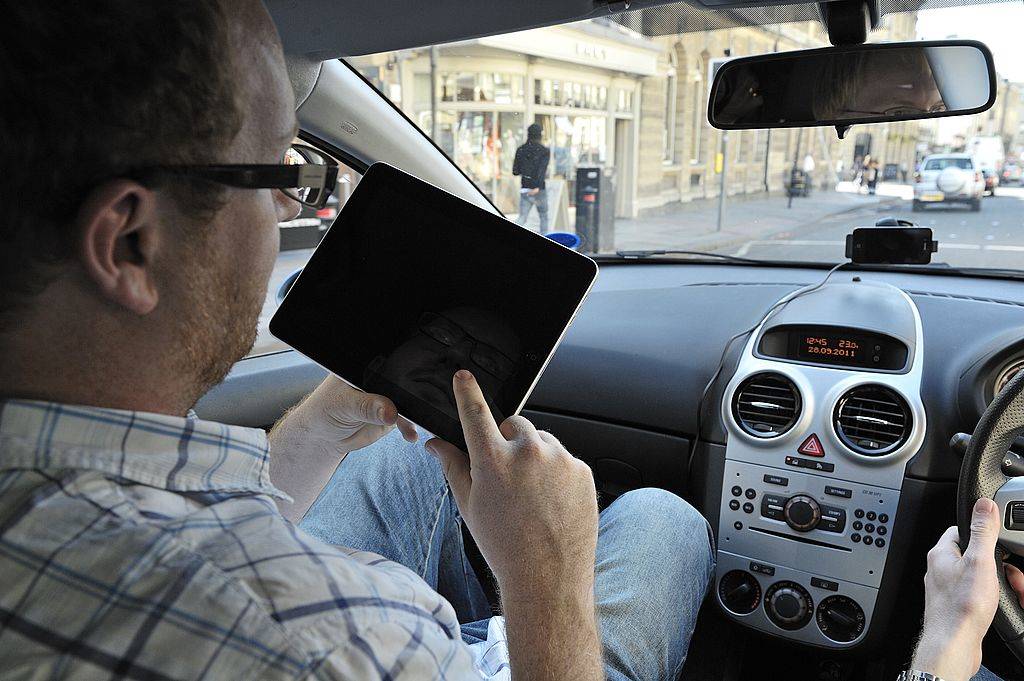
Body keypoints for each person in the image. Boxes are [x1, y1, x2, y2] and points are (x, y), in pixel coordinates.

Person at [0, 3, 713, 679]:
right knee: (665, 521)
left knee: (402, 456)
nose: (289, 208)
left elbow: (190, 521)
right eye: (281, 173)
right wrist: (545, 586)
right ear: (131, 241)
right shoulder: (331, 643)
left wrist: (319, 423)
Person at [512, 123, 550, 232]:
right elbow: (541, 171)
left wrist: (525, 169)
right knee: (543, 217)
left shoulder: (520, 150)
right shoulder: (544, 151)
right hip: (539, 189)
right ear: (540, 135)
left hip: (525, 188)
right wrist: (537, 186)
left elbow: (515, 171)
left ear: (528, 134)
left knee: (522, 217)